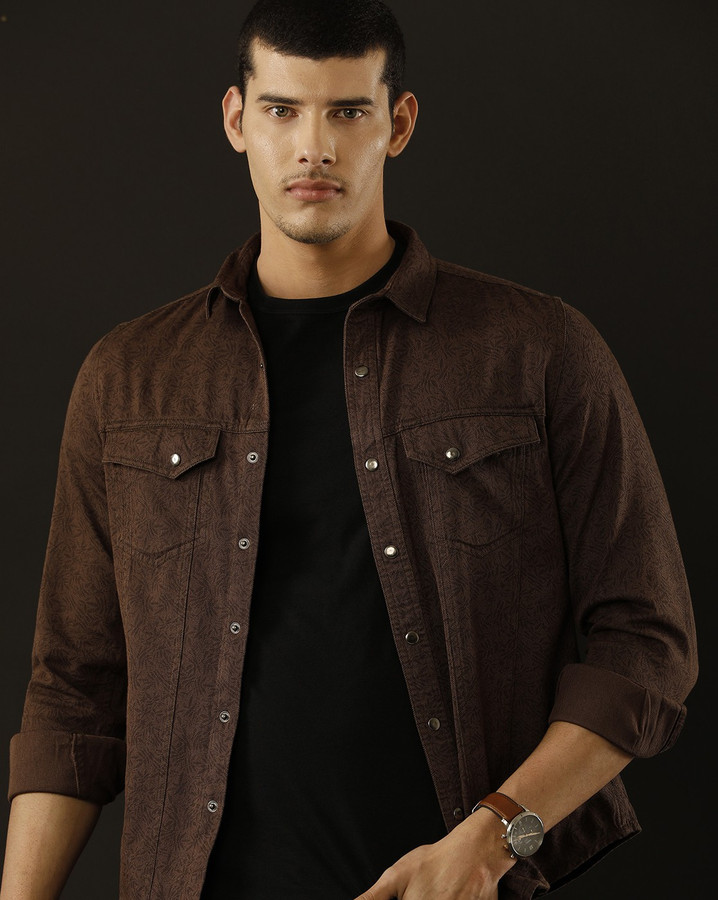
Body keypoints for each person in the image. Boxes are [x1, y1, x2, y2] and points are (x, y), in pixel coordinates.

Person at [1, 1, 698, 898]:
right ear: (236, 119)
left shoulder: (540, 351)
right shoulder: (129, 379)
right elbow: (74, 691)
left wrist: (491, 841)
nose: (314, 148)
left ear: (397, 124)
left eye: (347, 111)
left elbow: (646, 641)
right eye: (282, 110)